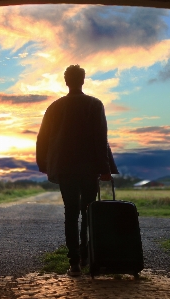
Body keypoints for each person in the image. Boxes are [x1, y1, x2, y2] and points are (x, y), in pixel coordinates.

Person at [36, 65, 119, 276]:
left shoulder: (54, 107)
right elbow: (101, 139)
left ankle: (74, 264)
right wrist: (105, 168)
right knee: (88, 212)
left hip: (65, 168)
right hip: (89, 168)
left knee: (70, 213)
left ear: (66, 82)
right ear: (83, 80)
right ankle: (85, 256)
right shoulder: (94, 104)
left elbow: (42, 138)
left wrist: (44, 164)